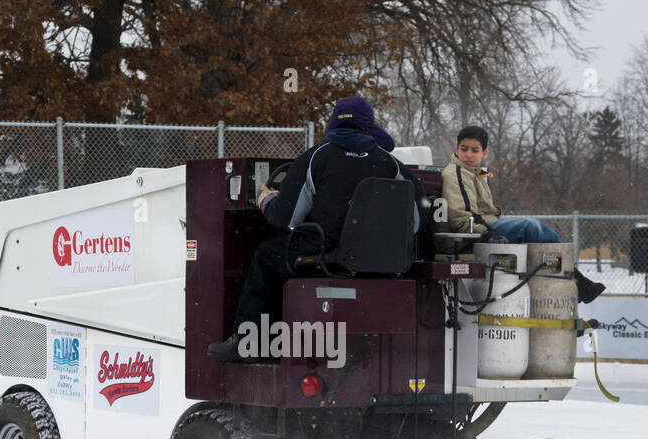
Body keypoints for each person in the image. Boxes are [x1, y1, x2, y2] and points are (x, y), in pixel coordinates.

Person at [207, 96, 425, 363]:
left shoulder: (318, 157)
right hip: (381, 261)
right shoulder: (391, 164)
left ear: (335, 122)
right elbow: (415, 218)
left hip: (325, 253)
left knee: (266, 255)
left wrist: (266, 199)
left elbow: (285, 217)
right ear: (368, 124)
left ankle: (249, 342)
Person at [438, 125, 605, 303]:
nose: (468, 154)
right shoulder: (455, 173)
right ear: (456, 149)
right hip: (465, 240)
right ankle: (577, 282)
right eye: (464, 149)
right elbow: (463, 219)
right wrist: (489, 234)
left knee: (541, 235)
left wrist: (492, 228)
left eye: (474, 150)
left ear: (484, 153)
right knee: (530, 227)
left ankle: (564, 283)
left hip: (480, 231)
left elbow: (485, 213)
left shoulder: (475, 173)